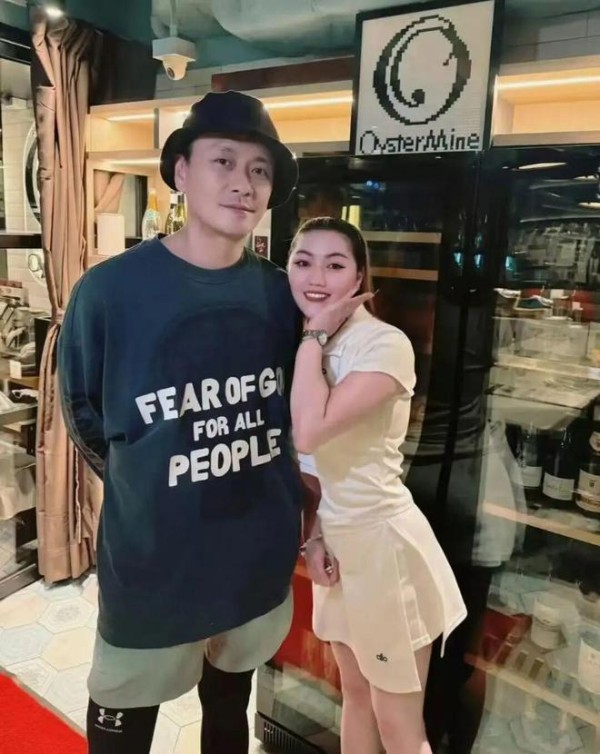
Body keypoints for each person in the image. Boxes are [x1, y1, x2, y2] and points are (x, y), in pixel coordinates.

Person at [57, 91, 303, 754]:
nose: (244, 183)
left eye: (259, 170)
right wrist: (146, 480)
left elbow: (299, 415)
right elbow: (82, 409)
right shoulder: (110, 291)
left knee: (228, 714)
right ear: (183, 172)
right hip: (154, 562)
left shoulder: (282, 295)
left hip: (254, 558)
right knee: (122, 717)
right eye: (224, 161)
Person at [287, 216, 467, 754]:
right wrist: (313, 537)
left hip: (384, 552)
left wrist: (312, 337)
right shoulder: (313, 344)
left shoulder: (384, 344)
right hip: (338, 546)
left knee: (400, 729)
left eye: (335, 264)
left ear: (359, 276)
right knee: (357, 697)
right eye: (303, 262)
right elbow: (308, 464)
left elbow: (310, 430)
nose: (316, 278)